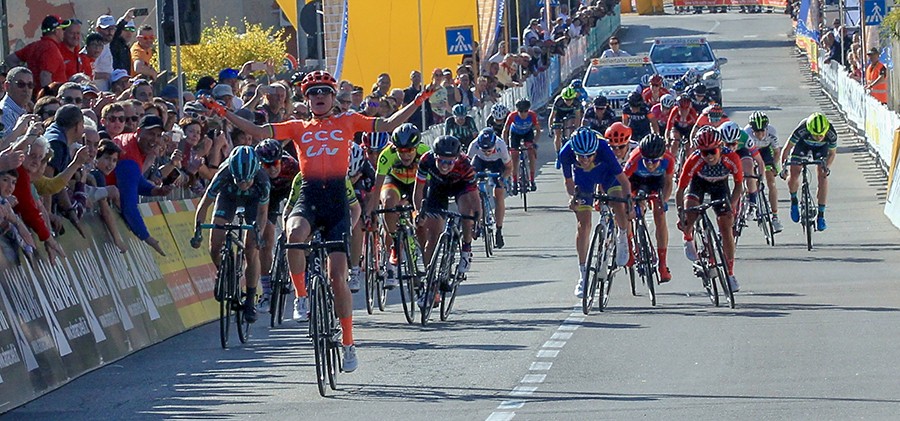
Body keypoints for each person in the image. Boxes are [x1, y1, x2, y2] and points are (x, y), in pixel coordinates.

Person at [215, 70, 433, 373]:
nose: (319, 97)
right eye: (313, 93)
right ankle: (301, 297)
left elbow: (389, 124)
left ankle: (348, 343)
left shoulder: (349, 121)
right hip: (308, 195)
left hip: (336, 204)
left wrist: (420, 100)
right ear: (307, 98)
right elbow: (257, 130)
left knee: (337, 278)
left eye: (324, 92)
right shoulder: (297, 126)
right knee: (293, 232)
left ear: (333, 98)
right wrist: (224, 113)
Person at [191, 146, 269, 323]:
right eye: (239, 180)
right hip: (228, 198)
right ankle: (226, 271)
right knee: (215, 245)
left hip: (253, 203)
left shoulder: (263, 180)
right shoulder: (223, 175)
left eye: (247, 181)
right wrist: (197, 232)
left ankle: (250, 299)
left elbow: (263, 213)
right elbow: (204, 206)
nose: (243, 184)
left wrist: (258, 234)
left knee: (251, 249)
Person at [560, 128, 633, 298]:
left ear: (596, 151)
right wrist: (573, 198)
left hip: (608, 176)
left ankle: (622, 236)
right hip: (584, 181)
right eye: (580, 157)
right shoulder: (566, 152)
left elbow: (624, 182)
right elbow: (568, 182)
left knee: (618, 204)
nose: (585, 160)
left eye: (589, 156)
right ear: (574, 152)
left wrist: (628, 200)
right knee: (583, 225)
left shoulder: (604, 149)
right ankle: (583, 275)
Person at [676, 127, 743, 292]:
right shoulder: (694, 160)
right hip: (698, 184)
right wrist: (681, 213)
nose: (709, 156)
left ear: (720, 147)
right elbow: (680, 189)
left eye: (712, 151)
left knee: (726, 226)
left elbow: (739, 184)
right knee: (690, 211)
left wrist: (732, 205)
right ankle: (688, 237)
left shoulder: (731, 157)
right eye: (704, 153)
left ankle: (730, 273)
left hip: (720, 187)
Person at [368, 123, 430, 288]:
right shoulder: (387, 155)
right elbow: (377, 187)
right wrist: (373, 212)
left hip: (417, 186)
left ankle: (427, 267)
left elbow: (432, 185)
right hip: (394, 183)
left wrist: (421, 209)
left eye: (410, 150)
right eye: (401, 150)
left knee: (422, 226)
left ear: (417, 147)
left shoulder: (426, 153)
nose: (406, 154)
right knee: (388, 203)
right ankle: (395, 246)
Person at [413, 135, 480, 288]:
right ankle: (430, 275)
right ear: (435, 156)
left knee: (466, 211)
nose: (445, 166)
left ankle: (466, 250)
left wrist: (477, 219)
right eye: (441, 161)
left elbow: (474, 197)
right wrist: (418, 212)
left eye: (450, 162)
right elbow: (418, 191)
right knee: (433, 235)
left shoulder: (465, 165)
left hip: (460, 187)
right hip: (438, 189)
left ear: (456, 158)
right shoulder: (426, 160)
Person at [109, 115, 175, 255]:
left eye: (158, 135)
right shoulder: (129, 159)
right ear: (139, 132)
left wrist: (155, 190)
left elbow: (133, 181)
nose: (155, 140)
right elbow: (128, 206)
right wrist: (147, 237)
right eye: (151, 134)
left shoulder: (131, 141)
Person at [623, 134, 675, 282]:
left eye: (654, 161)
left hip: (656, 183)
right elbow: (624, 181)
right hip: (636, 181)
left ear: (661, 157)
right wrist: (628, 201)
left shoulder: (669, 159)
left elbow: (669, 183)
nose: (650, 164)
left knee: (660, 215)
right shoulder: (635, 158)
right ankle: (630, 251)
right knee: (628, 211)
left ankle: (662, 265)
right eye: (646, 161)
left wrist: (663, 201)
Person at [780, 112, 836, 231]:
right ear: (809, 130)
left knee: (823, 176)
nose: (819, 137)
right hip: (802, 145)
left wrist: (827, 167)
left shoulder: (831, 133)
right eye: (815, 135)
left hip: (821, 149)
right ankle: (794, 200)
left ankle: (821, 215)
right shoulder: (802, 129)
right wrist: (783, 167)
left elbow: (832, 154)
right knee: (794, 172)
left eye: (821, 135)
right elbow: (787, 149)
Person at [468, 128, 512, 248]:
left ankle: (499, 230)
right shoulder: (474, 145)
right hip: (479, 162)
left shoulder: (501, 145)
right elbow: (466, 166)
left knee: (498, 193)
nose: (487, 152)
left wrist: (503, 179)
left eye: (489, 150)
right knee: (470, 191)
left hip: (497, 163)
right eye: (484, 150)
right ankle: (475, 222)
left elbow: (509, 167)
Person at [5, 16, 67, 94]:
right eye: (62, 29)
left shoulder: (34, 46)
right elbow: (45, 76)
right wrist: (49, 97)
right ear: (56, 31)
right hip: (47, 98)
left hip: (32, 95)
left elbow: (10, 59)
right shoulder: (51, 48)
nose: (64, 32)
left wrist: (22, 77)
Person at [743, 111, 783, 232]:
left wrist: (776, 167)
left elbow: (776, 153)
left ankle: (775, 217)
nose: (760, 135)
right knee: (749, 176)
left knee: (771, 182)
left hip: (765, 151)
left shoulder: (772, 132)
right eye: (757, 132)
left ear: (766, 129)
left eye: (762, 131)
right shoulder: (746, 133)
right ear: (752, 129)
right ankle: (750, 199)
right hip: (751, 152)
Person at [503, 98, 541, 194]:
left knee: (531, 153)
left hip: (528, 133)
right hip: (515, 134)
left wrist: (534, 142)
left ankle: (532, 180)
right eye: (520, 111)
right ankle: (515, 182)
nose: (523, 113)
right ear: (517, 110)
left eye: (525, 111)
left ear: (528, 110)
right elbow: (505, 131)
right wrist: (506, 145)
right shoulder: (512, 116)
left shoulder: (532, 115)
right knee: (514, 158)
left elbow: (538, 131)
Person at [548, 87, 584, 153]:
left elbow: (578, 117)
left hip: (571, 113)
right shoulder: (558, 101)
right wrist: (550, 128)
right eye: (566, 99)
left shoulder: (576, 102)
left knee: (571, 127)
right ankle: (558, 153)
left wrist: (576, 128)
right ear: (563, 98)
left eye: (570, 99)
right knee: (557, 134)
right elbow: (552, 115)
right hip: (559, 114)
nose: (568, 101)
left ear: (573, 98)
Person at [0, 68, 34, 138]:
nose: (26, 89)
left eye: (30, 85)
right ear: (7, 86)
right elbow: (6, 146)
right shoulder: (3, 114)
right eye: (21, 84)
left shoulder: (26, 110)